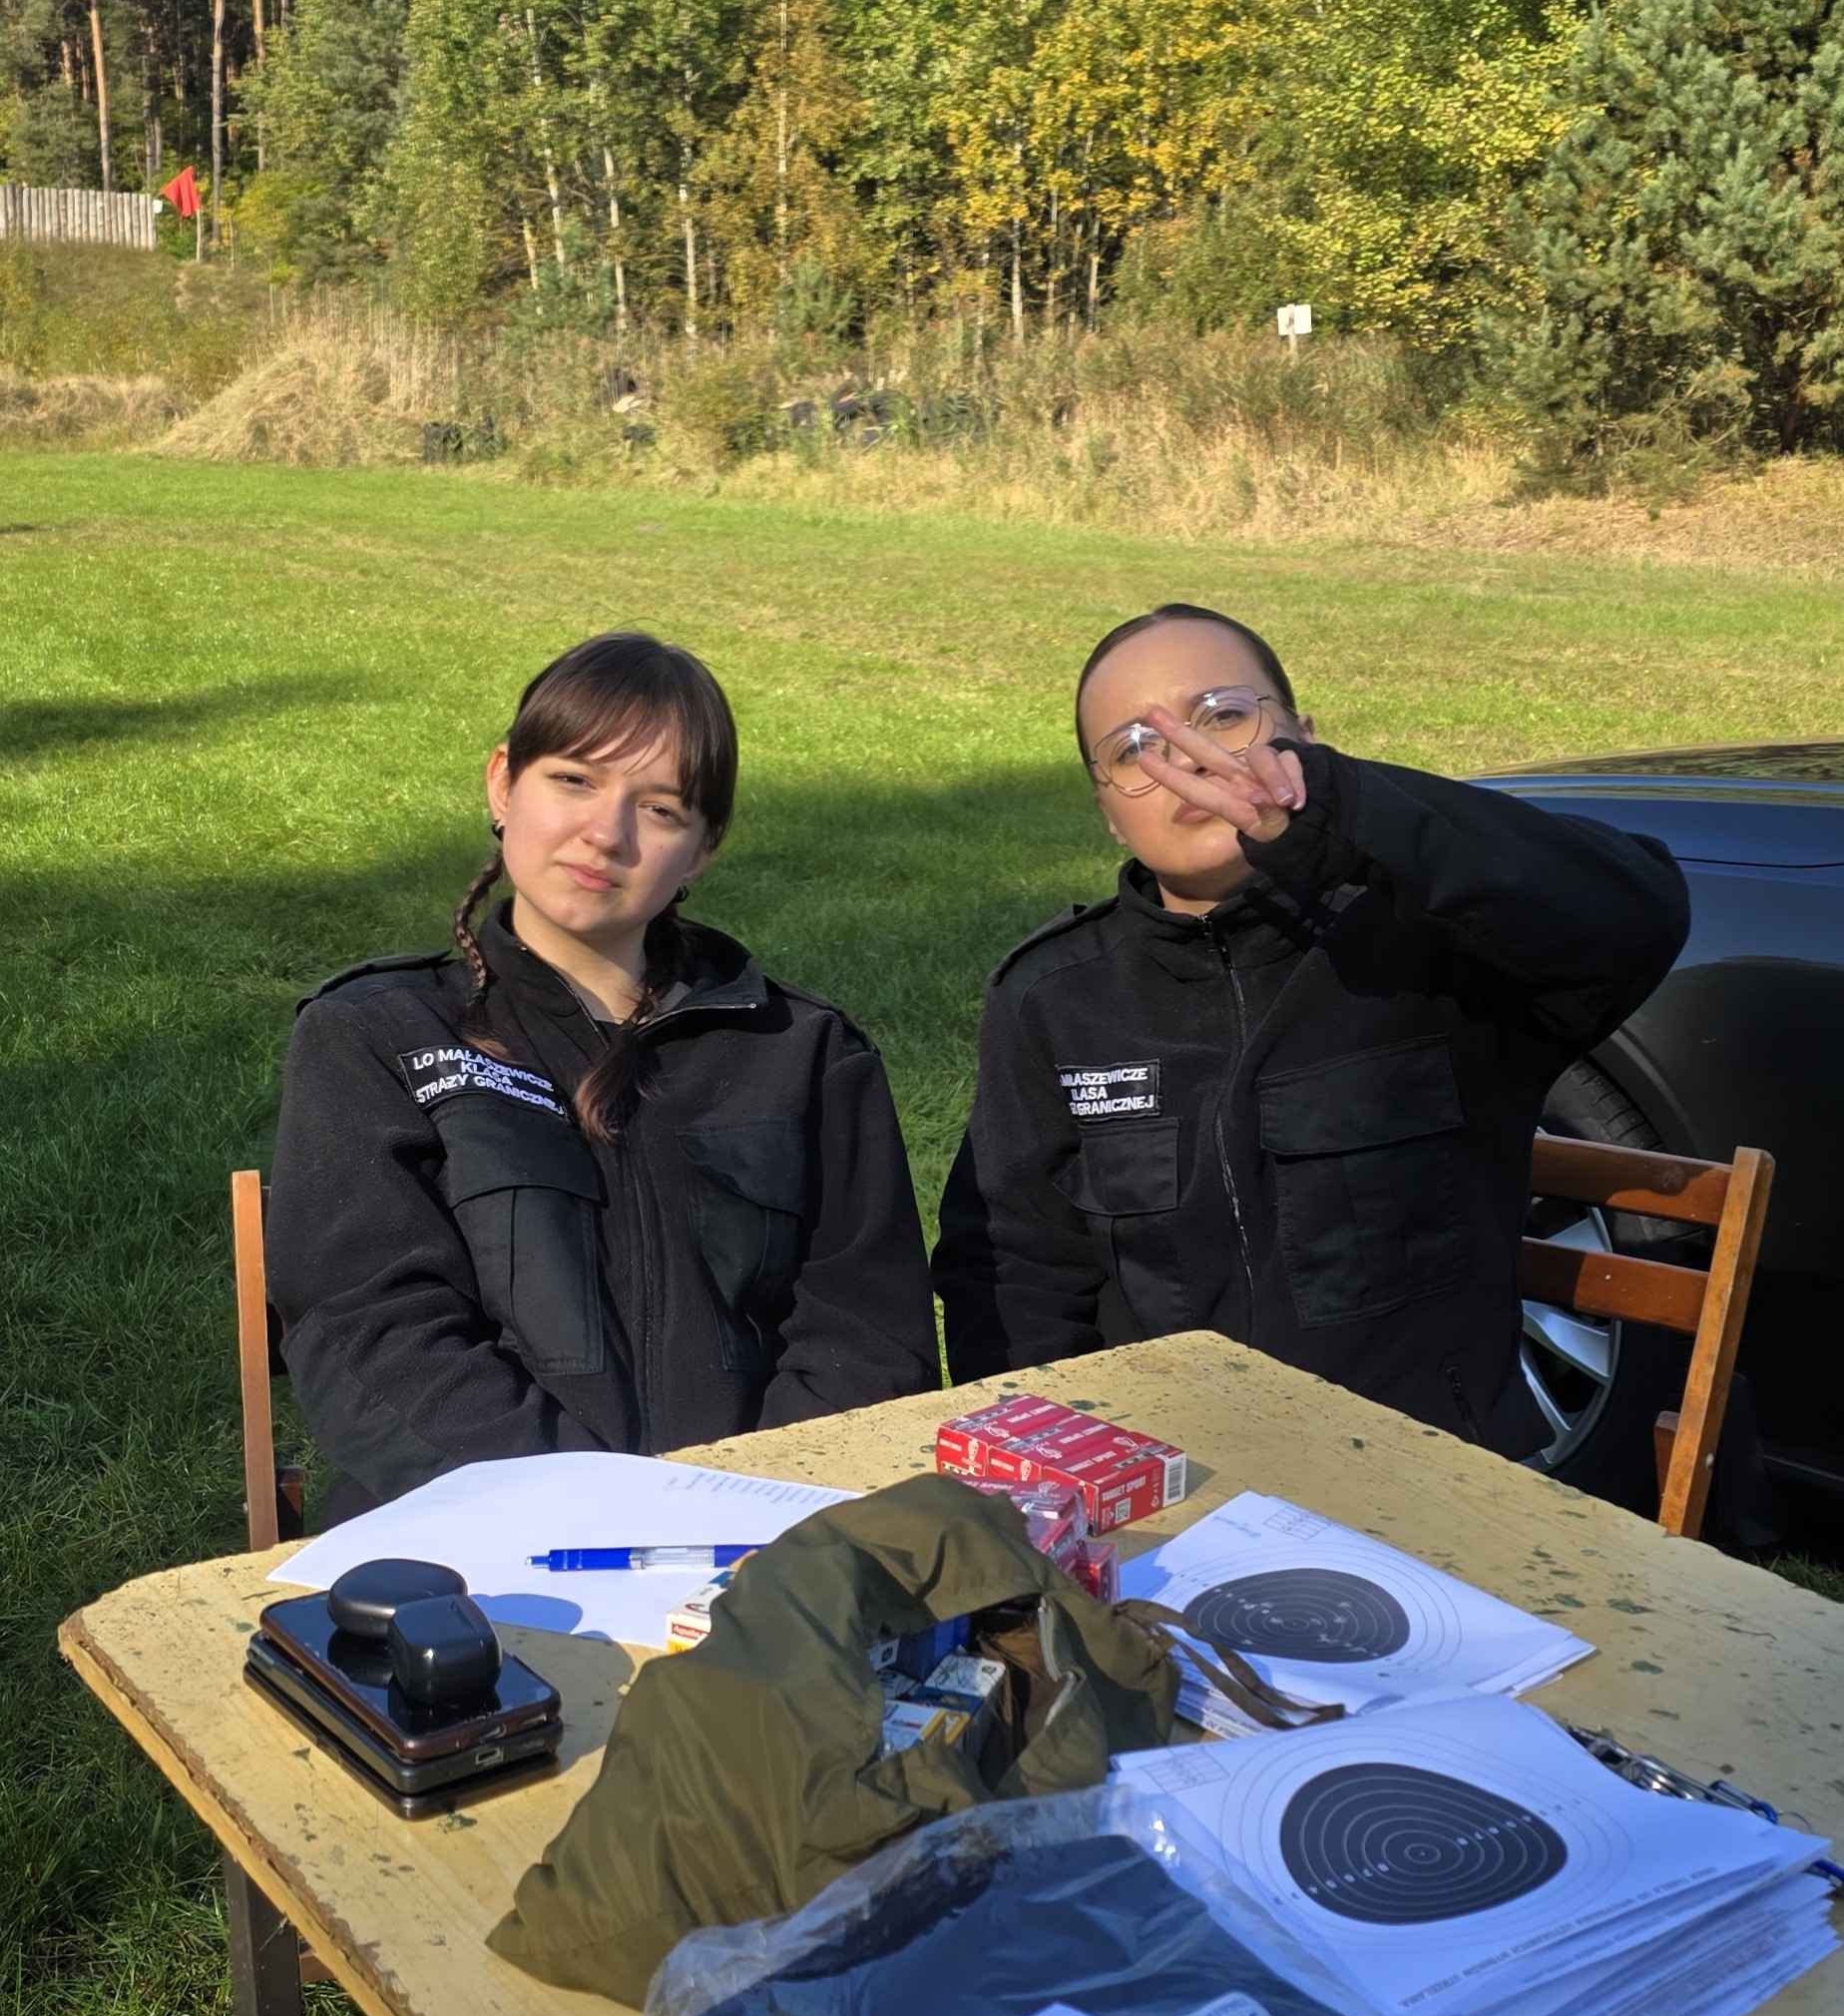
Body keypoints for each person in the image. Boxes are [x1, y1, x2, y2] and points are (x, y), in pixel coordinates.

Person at [932, 603, 1690, 1459]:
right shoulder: (1053, 998)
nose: (1188, 757)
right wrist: (1055, 1471)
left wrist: (1343, 810)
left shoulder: (1432, 946)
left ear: (1307, 740)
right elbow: (1014, 1266)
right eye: (1136, 749)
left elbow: (1637, 913)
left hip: (1429, 1482)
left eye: (1223, 715)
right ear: (1108, 811)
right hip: (1168, 1492)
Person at [268, 631, 938, 1516]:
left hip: (759, 1540)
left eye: (660, 809)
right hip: (466, 1541)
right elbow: (371, 1331)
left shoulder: (807, 1053)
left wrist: (746, 1515)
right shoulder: (374, 1033)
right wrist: (598, 1515)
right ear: (504, 783)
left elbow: (868, 1339)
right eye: (574, 780)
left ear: (703, 849)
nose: (605, 834)